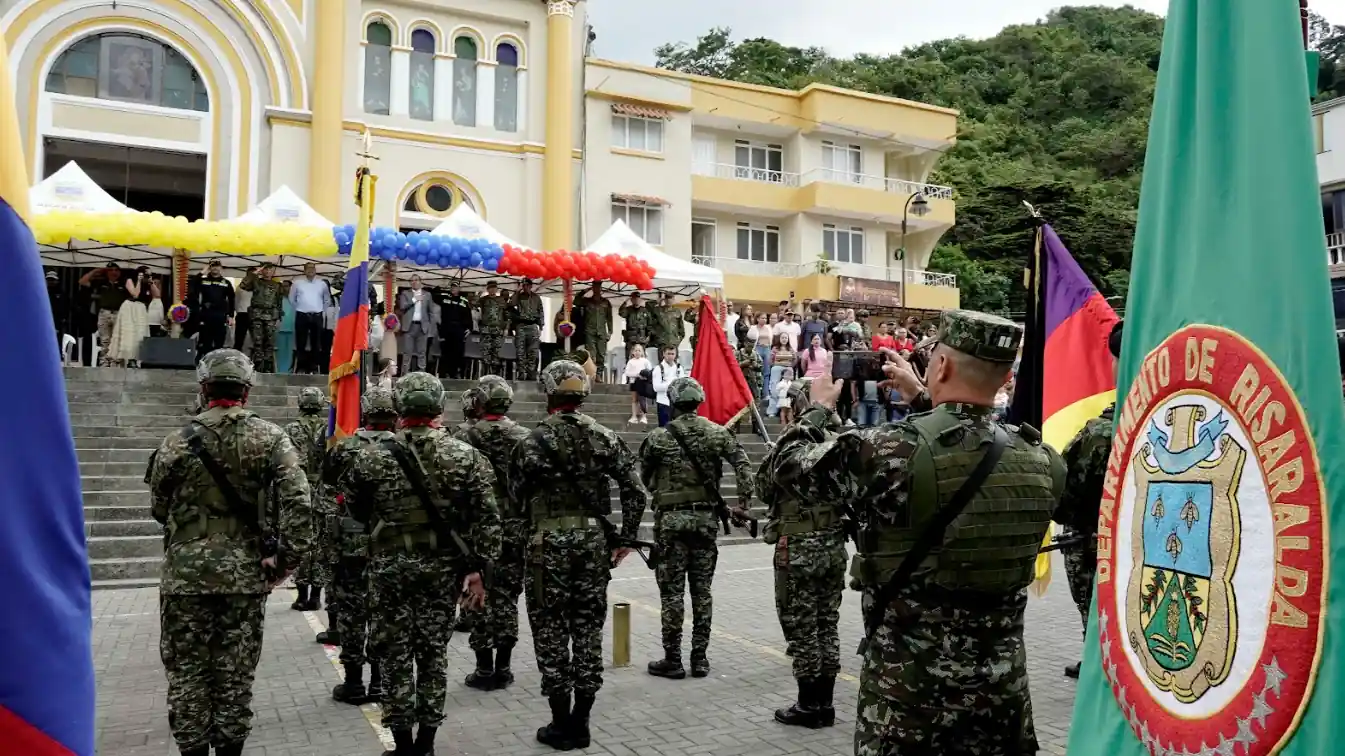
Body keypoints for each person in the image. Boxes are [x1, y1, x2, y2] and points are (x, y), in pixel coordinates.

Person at [769, 310, 1070, 754]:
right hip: (1001, 699)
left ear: (942, 367)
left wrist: (818, 408)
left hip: (909, 698)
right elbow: (969, 447)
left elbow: (788, 469)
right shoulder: (1044, 460)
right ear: (1006, 377)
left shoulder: (892, 447)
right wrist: (927, 403)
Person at [147, 349, 313, 756]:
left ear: (204, 388)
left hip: (185, 577)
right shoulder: (271, 437)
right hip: (244, 574)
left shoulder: (175, 442)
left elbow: (158, 508)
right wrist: (285, 562)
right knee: (234, 675)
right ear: (247, 390)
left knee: (187, 676)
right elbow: (299, 503)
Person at [346, 372, 501, 756]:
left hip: (389, 569)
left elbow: (357, 509)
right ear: (438, 408)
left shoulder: (369, 456)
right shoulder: (465, 456)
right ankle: (426, 745)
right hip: (442, 570)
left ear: (400, 409)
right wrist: (480, 571)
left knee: (396, 656)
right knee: (433, 655)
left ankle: (402, 746)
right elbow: (487, 519)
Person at [507, 360, 649, 751]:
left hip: (545, 545)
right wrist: (626, 538)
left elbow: (514, 502)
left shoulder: (531, 442)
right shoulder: (604, 436)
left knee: (550, 630)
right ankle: (581, 722)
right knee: (587, 627)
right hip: (592, 545)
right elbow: (636, 491)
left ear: (548, 391)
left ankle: (559, 722)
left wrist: (525, 539)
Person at [640, 377, 755, 680]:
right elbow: (742, 463)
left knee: (672, 594)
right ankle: (700, 659)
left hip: (671, 524)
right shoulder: (717, 432)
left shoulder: (658, 437)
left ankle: (673, 660)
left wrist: (662, 492)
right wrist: (743, 504)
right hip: (705, 522)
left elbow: (645, 477)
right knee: (702, 593)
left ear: (675, 402)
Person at [754, 377, 849, 730]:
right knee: (827, 625)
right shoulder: (842, 440)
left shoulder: (795, 442)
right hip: (833, 545)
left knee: (802, 628)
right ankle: (824, 703)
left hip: (798, 547)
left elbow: (763, 486)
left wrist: (804, 422)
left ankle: (810, 705)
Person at [455, 376, 533, 691]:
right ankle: (504, 667)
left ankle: (483, 668)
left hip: (475, 529)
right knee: (508, 597)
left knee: (477, 593)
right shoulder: (526, 438)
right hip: (515, 529)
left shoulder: (463, 436)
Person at [324, 386, 397, 706]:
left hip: (351, 542)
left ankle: (354, 683)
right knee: (385, 611)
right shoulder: (404, 447)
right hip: (392, 543)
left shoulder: (344, 448)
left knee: (352, 613)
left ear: (364, 413)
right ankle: (380, 681)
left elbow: (327, 490)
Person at [1059, 320, 1121, 678]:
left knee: (1094, 610)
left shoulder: (1099, 434)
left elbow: (1068, 498)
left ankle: (1099, 666)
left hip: (1092, 542)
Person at [285, 387, 331, 615]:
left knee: (300, 542)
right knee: (321, 546)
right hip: (323, 493)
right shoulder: (329, 428)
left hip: (299, 492)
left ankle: (302, 596)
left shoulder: (290, 429)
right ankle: (316, 596)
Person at [79, 262, 129, 366]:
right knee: (105, 340)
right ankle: (104, 363)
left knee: (118, 339)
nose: (113, 272)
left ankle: (116, 362)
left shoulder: (123, 283)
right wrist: (96, 271)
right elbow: (82, 281)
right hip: (104, 313)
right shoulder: (101, 283)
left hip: (119, 314)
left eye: (116, 270)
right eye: (110, 270)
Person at [239, 264, 284, 373]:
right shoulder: (256, 282)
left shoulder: (277, 285)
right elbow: (243, 285)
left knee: (269, 343)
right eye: (265, 269)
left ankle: (268, 368)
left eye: (270, 269)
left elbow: (279, 303)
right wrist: (254, 273)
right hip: (257, 315)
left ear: (273, 272)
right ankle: (258, 367)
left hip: (271, 317)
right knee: (257, 342)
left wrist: (278, 318)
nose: (268, 272)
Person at [289, 263, 333, 374]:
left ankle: (313, 367)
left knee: (316, 342)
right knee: (301, 342)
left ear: (315, 270)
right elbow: (291, 298)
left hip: (317, 316)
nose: (310, 270)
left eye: (312, 268)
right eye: (308, 268)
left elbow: (327, 299)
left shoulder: (322, 284)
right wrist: (299, 308)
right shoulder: (297, 283)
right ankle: (301, 366)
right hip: (302, 315)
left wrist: (320, 310)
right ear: (304, 270)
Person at [107, 265, 153, 367]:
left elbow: (156, 295)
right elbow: (135, 294)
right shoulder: (130, 280)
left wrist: (151, 283)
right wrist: (139, 281)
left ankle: (137, 358)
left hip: (140, 309)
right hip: (130, 308)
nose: (147, 276)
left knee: (140, 334)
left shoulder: (148, 283)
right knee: (128, 333)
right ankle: (126, 359)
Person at [193, 260, 234, 356]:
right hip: (206, 315)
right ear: (210, 268)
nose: (215, 268)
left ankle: (217, 362)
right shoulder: (203, 281)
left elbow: (232, 299)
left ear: (221, 268)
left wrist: (231, 315)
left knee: (219, 341)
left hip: (220, 315)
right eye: (212, 266)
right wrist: (203, 271)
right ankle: (204, 361)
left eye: (217, 266)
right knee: (205, 340)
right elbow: (193, 283)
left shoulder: (226, 282)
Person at [397, 275, 435, 374]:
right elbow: (402, 307)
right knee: (407, 353)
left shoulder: (427, 295)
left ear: (420, 282)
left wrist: (430, 328)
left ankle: (422, 377)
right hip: (409, 327)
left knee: (422, 353)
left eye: (416, 280)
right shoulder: (405, 293)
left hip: (422, 327)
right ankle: (405, 376)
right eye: (411, 281)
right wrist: (414, 300)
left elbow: (431, 312)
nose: (414, 282)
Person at [578, 281, 613, 381]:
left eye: (598, 287)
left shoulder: (606, 302)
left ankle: (599, 374)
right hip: (590, 331)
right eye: (594, 287)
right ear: (592, 288)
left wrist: (610, 332)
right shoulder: (587, 301)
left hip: (602, 332)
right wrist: (585, 290)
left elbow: (609, 318)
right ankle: (592, 374)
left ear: (601, 288)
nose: (597, 289)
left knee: (601, 355)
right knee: (591, 354)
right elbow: (576, 301)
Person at [439, 282, 473, 379]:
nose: (453, 289)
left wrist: (469, 328)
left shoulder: (463, 300)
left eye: (455, 287)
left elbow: (468, 315)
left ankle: (455, 373)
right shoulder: (444, 298)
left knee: (457, 352)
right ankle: (444, 373)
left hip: (458, 329)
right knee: (445, 352)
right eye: (452, 287)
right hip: (446, 328)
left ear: (459, 288)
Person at [513, 279, 545, 381]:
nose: (525, 287)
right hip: (521, 326)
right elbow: (511, 303)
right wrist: (517, 291)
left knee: (533, 352)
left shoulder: (536, 297)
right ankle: (521, 372)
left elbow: (541, 312)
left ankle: (531, 373)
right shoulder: (518, 296)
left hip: (532, 326)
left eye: (527, 285)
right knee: (520, 351)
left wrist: (541, 327)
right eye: (524, 285)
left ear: (531, 286)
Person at [477, 281, 508, 376]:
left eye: (494, 288)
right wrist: (478, 295)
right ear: (487, 289)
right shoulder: (483, 300)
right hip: (486, 329)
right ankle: (485, 374)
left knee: (496, 353)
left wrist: (506, 328)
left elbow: (506, 315)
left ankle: (495, 374)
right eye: (490, 288)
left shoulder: (501, 300)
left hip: (497, 329)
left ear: (497, 289)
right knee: (486, 353)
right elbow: (473, 304)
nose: (492, 290)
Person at [651, 345, 684, 428]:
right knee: (664, 428)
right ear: (663, 354)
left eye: (672, 354)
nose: (670, 356)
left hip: (676, 402)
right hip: (663, 401)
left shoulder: (679, 368)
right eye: (668, 354)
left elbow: (682, 383)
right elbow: (656, 387)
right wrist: (671, 384)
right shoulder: (658, 368)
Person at [767, 333, 796, 417]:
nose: (784, 339)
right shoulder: (775, 348)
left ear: (788, 339)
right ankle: (772, 411)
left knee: (787, 389)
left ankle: (787, 411)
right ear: (779, 339)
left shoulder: (790, 349)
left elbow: (794, 359)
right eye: (782, 338)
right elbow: (770, 360)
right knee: (774, 389)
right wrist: (776, 365)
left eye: (785, 338)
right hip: (776, 368)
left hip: (788, 368)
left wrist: (790, 366)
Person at [623, 343, 653, 424]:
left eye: (639, 350)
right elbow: (627, 373)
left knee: (643, 399)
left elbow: (650, 371)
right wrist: (637, 374)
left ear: (642, 352)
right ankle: (634, 416)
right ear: (632, 352)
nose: (637, 352)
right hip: (634, 382)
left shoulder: (645, 361)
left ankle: (644, 416)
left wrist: (645, 376)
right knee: (634, 399)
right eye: (636, 350)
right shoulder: (630, 362)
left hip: (643, 383)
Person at [619, 292, 653, 358]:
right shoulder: (628, 310)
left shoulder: (645, 311)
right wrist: (625, 302)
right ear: (631, 300)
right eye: (634, 299)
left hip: (642, 339)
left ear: (640, 299)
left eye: (638, 298)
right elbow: (621, 313)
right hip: (631, 339)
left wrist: (648, 336)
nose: (636, 300)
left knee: (642, 359)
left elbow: (649, 324)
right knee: (630, 358)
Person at [747, 313, 773, 398]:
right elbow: (749, 339)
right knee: (757, 371)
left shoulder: (768, 328)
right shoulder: (753, 328)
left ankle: (765, 393)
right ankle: (756, 393)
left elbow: (771, 340)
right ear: (757, 319)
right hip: (758, 348)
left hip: (767, 349)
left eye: (765, 318)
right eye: (762, 318)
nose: (764, 320)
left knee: (766, 372)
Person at [276, 283, 296, 374]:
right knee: (280, 352)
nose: (284, 288)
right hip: (280, 329)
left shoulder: (296, 299)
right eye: (283, 286)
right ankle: (280, 372)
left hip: (293, 329)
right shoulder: (278, 299)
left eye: (287, 286)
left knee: (290, 352)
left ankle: (289, 372)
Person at [233, 267, 255, 351]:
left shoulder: (258, 286)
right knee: (239, 339)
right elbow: (236, 300)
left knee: (257, 339)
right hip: (243, 313)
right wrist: (237, 310)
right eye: (251, 274)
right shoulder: (241, 287)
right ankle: (237, 356)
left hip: (255, 314)